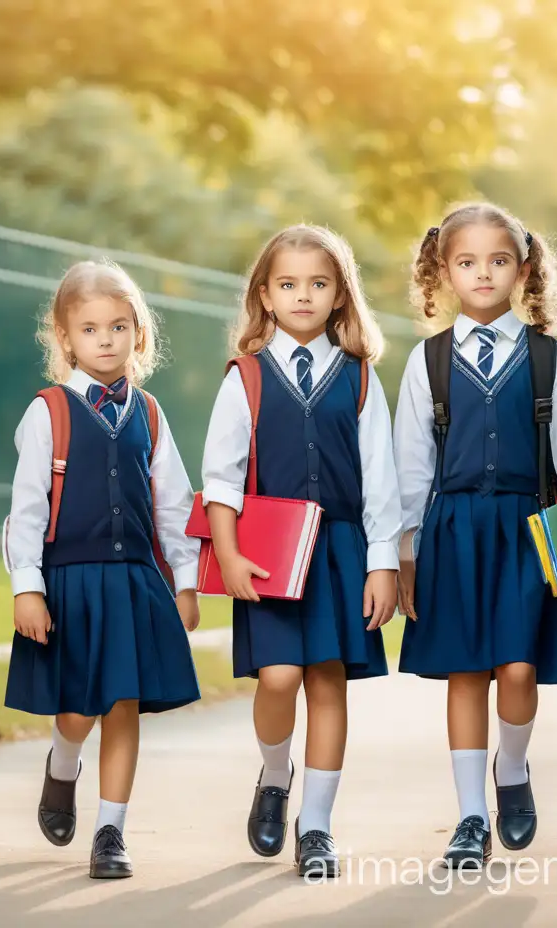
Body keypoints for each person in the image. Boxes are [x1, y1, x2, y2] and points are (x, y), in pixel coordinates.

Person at [392, 202, 557, 868]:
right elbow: (409, 469)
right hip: (451, 534)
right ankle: (469, 818)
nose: (483, 273)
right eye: (467, 262)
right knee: (466, 673)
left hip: (524, 535)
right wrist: (402, 555)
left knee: (517, 667)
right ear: (444, 272)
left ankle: (510, 771)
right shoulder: (427, 362)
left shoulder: (547, 359)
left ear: (523, 268)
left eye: (498, 260)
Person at [201, 225, 401, 878]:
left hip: (342, 553)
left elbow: (382, 481)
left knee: (328, 682)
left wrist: (382, 566)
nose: (304, 296)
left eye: (318, 284)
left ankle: (315, 826)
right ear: (266, 294)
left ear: (340, 294)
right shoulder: (247, 378)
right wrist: (227, 555)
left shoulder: (362, 379)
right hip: (268, 553)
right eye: (288, 284)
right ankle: (274, 773)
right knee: (279, 679)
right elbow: (222, 478)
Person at [2, 259, 202, 880]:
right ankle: (64, 764)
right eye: (90, 329)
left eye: (119, 326)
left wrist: (187, 582)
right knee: (77, 710)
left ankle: (111, 830)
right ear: (65, 337)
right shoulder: (49, 412)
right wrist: (27, 590)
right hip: (70, 585)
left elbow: (174, 504)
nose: (106, 339)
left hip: (136, 585)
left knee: (123, 705)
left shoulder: (150, 414)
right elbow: (27, 511)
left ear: (138, 333)